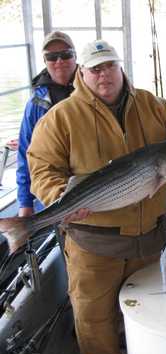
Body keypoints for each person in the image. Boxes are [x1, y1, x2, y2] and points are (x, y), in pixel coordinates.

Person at [27, 40, 166, 354]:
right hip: (93, 245)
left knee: (146, 314)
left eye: (109, 65)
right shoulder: (60, 118)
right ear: (81, 72)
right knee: (95, 324)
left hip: (148, 242)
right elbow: (42, 169)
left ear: (120, 67)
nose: (103, 74)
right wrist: (59, 198)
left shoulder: (150, 103)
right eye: (94, 68)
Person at [16, 31, 77, 217]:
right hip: (53, 187)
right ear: (44, 61)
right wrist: (25, 202)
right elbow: (26, 151)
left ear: (75, 57)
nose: (59, 61)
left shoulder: (95, 88)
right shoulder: (36, 103)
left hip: (93, 181)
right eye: (51, 57)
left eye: (65, 54)